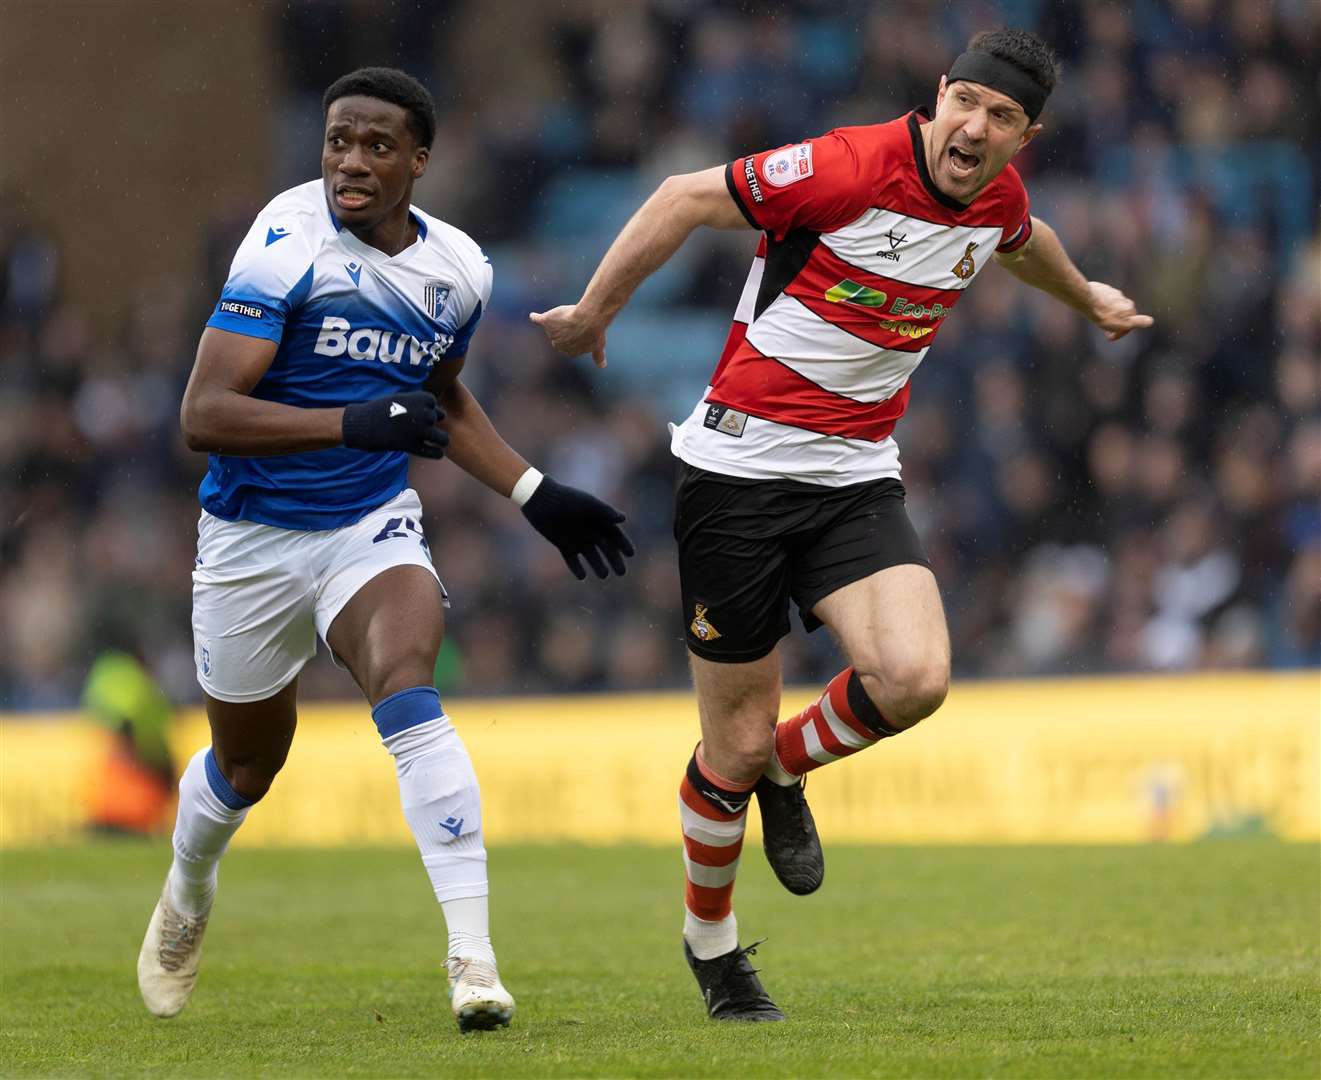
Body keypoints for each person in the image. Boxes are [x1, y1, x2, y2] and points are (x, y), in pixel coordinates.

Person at [532, 29, 1152, 1021]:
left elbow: (1025, 244)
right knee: (723, 751)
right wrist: (597, 311)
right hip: (734, 472)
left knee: (915, 679)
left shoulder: (996, 198)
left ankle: (788, 766)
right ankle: (714, 950)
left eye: (1001, 120)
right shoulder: (844, 166)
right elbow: (684, 196)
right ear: (939, 93)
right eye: (968, 104)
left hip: (855, 477)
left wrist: (1088, 301)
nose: (976, 129)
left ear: (1022, 138)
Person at [138, 67, 633, 1032]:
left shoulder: (460, 270)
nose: (350, 163)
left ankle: (473, 961)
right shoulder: (286, 240)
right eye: (337, 141)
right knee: (246, 770)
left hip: (368, 528)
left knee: (409, 688)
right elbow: (203, 413)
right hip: (249, 540)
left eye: (374, 146)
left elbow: (438, 397)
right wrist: (350, 421)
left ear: (419, 161)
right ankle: (187, 889)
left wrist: (533, 492)